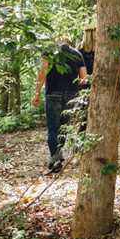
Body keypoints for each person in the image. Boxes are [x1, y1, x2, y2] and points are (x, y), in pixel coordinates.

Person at [32, 43, 87, 173]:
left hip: (53, 93)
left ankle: (55, 158)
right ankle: (57, 155)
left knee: (53, 128)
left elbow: (42, 72)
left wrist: (37, 93)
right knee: (63, 128)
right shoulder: (77, 54)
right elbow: (84, 78)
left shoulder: (50, 52)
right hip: (71, 95)